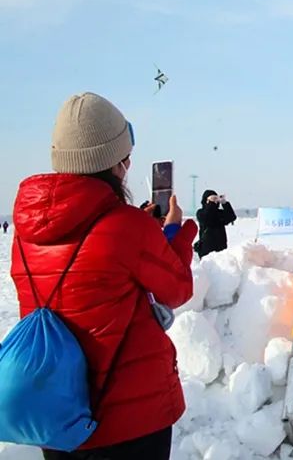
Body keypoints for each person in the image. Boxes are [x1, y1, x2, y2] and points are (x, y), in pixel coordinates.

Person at [8, 92, 196, 458]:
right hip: (131, 416)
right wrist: (175, 234)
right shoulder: (126, 225)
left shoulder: (25, 232)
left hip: (56, 411)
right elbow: (176, 288)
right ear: (116, 162)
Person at [195, 190, 236, 258]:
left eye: (216, 199)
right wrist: (211, 204)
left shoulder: (219, 213)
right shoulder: (200, 212)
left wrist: (224, 203)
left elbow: (231, 217)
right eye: (213, 199)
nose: (215, 201)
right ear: (206, 200)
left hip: (221, 249)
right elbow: (207, 219)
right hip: (206, 250)